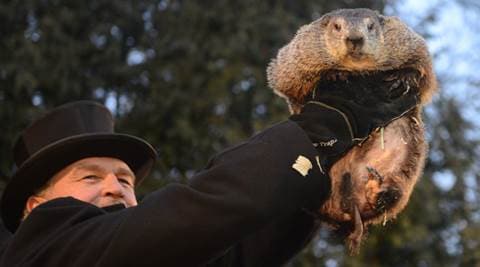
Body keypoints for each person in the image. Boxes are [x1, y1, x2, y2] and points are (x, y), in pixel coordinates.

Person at [0, 89, 417, 266]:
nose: (115, 186)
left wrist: (326, 180)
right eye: (90, 177)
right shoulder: (37, 250)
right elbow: (194, 213)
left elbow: (235, 251)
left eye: (126, 181)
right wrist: (319, 131)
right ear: (37, 207)